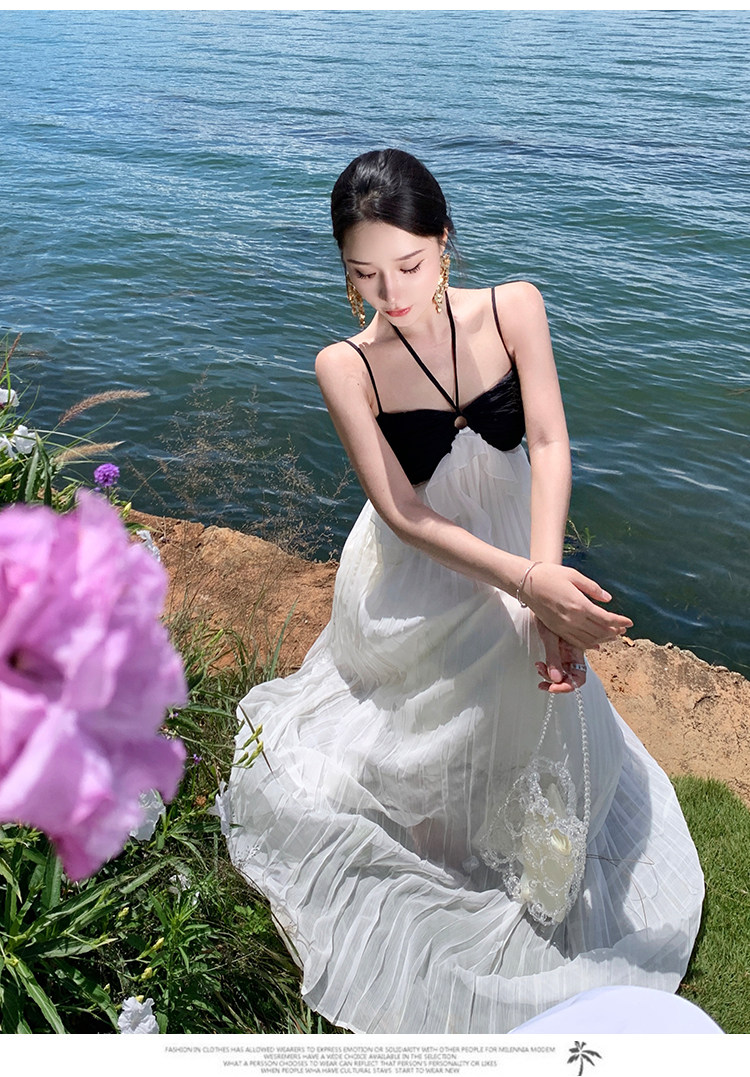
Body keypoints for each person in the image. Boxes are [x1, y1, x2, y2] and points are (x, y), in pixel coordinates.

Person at [223, 149, 704, 1034]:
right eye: (364, 274)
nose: (391, 294)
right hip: (423, 567)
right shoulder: (346, 365)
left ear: (445, 239)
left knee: (540, 683)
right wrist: (526, 586)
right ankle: (442, 826)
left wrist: (542, 581)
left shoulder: (516, 306)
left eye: (409, 265)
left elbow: (549, 443)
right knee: (443, 708)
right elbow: (402, 512)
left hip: (521, 537)